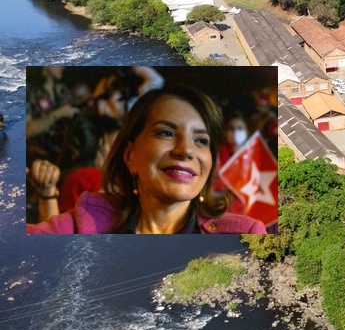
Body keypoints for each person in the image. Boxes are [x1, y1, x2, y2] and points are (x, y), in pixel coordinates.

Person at [27, 86, 266, 234]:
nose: (186, 150)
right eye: (166, 133)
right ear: (130, 156)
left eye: (201, 141)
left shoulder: (246, 235)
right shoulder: (85, 222)